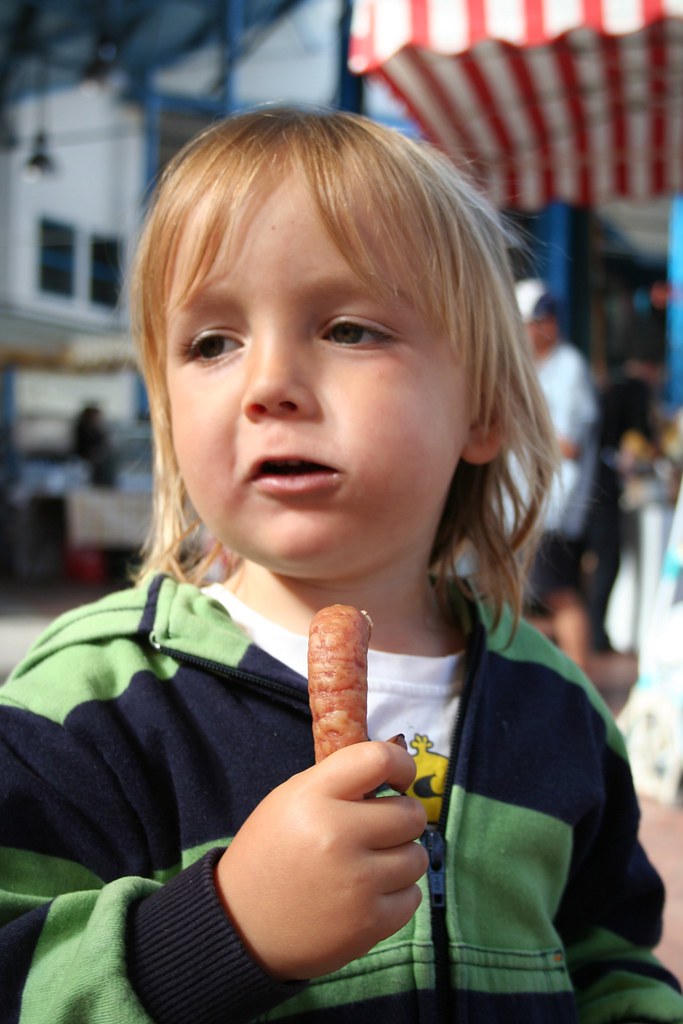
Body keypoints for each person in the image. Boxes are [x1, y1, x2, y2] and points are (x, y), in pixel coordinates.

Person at [0, 108, 680, 1023]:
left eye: (350, 328)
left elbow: (606, 955)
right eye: (211, 343)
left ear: (481, 407)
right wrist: (221, 929)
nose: (267, 382)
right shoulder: (92, 699)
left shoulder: (554, 707)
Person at [515, 279, 599, 671]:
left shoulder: (569, 366)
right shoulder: (530, 366)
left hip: (555, 507)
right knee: (517, 598)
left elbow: (569, 444)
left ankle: (582, 685)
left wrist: (513, 427)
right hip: (523, 505)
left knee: (561, 595)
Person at [587, 357, 660, 651]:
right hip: (604, 485)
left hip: (589, 482)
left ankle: (594, 628)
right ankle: (595, 632)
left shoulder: (609, 389)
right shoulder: (635, 391)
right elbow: (638, 438)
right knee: (608, 559)